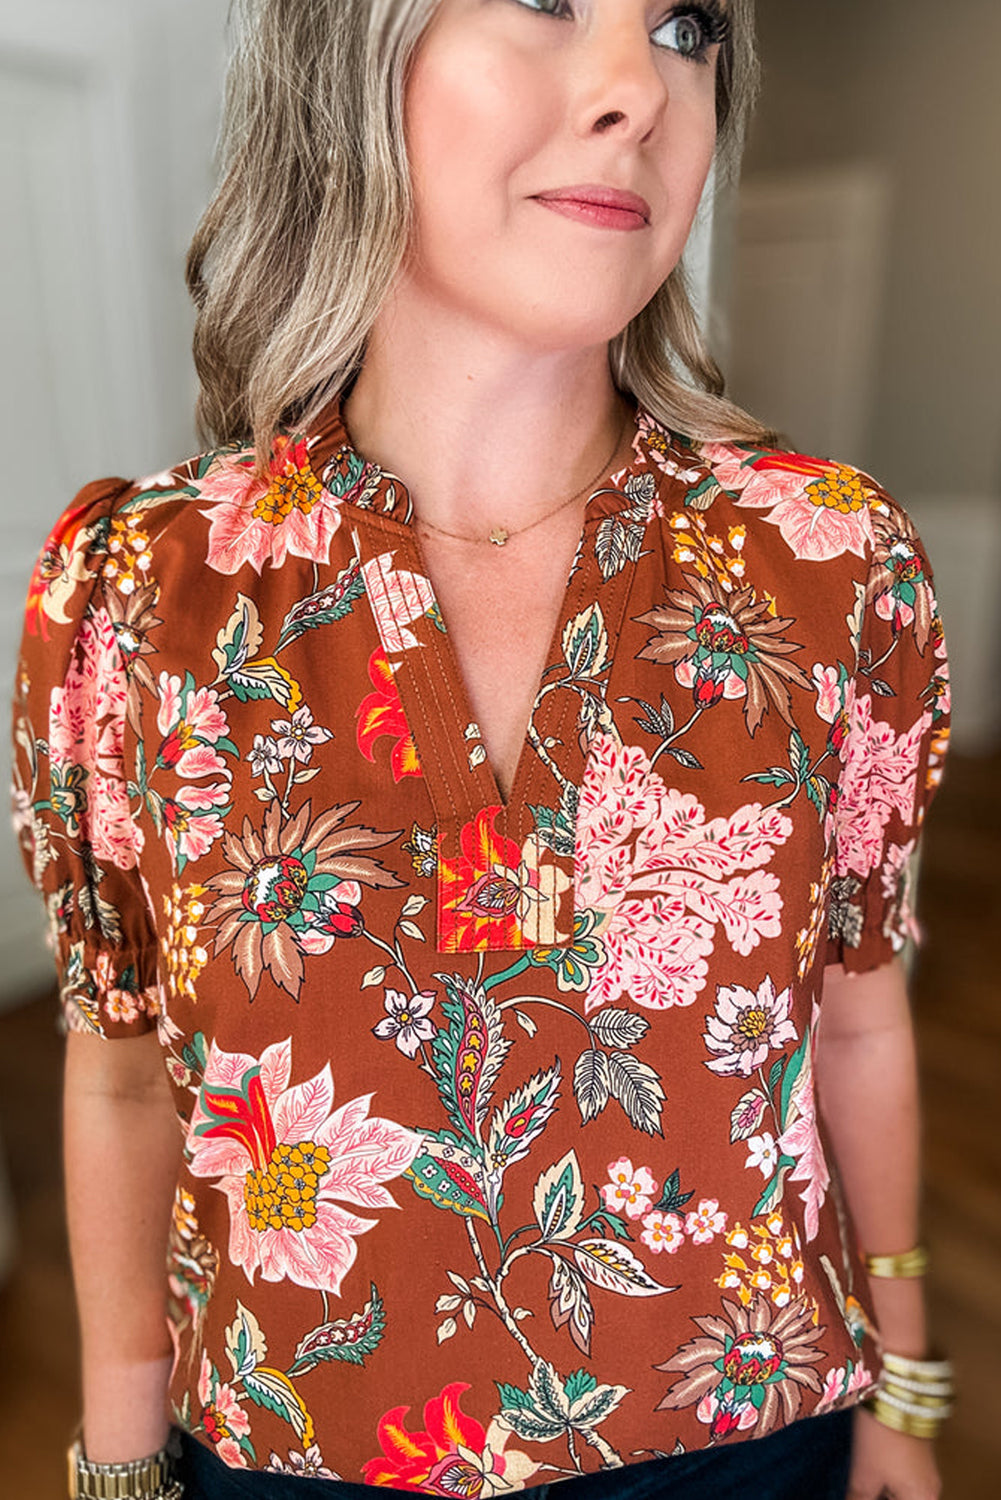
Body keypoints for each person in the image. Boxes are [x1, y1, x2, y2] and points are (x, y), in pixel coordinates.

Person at [10, 1, 954, 1497]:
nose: (636, 91)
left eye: (688, 27)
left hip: (743, 1440)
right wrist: (119, 1465)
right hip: (287, 1458)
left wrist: (902, 1382)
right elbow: (122, 1074)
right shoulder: (145, 593)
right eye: (539, 0)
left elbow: (856, 1015)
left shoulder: (826, 566)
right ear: (348, 59)